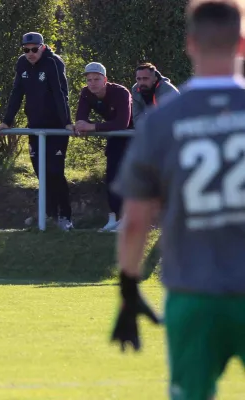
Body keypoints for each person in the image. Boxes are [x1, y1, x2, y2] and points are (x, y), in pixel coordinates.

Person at [111, 1, 245, 399]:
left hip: (193, 290)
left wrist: (129, 290)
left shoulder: (162, 121)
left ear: (189, 44)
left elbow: (135, 221)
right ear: (241, 44)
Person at [0, 32, 73, 231]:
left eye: (34, 49)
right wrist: (6, 121)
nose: (30, 54)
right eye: (26, 50)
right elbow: (16, 93)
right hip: (35, 127)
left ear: (43, 47)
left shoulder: (54, 63)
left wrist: (67, 123)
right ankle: (48, 214)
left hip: (56, 128)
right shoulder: (22, 64)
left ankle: (65, 216)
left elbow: (60, 93)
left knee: (55, 171)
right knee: (41, 172)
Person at [72, 62, 132, 232]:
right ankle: (113, 218)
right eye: (89, 79)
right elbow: (80, 119)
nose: (92, 83)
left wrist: (92, 127)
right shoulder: (86, 93)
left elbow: (123, 123)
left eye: (96, 79)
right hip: (115, 136)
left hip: (134, 136)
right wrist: (79, 125)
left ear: (105, 79)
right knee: (112, 176)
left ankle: (128, 218)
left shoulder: (121, 92)